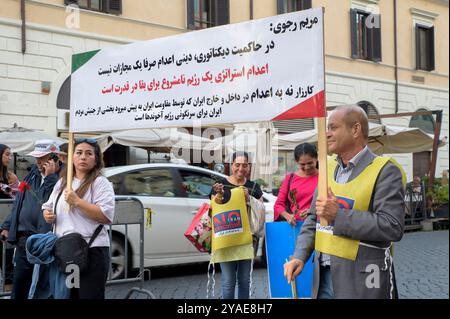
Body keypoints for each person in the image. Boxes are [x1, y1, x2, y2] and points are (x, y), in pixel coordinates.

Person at [284, 105, 405, 299]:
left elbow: (392, 226)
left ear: (355, 129)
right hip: (323, 277)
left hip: (363, 280)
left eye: (333, 127)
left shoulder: (386, 171)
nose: (327, 134)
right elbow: (313, 219)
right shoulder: (327, 167)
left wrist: (338, 215)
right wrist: (299, 255)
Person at [42, 138, 115, 299]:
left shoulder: (100, 183)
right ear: (72, 157)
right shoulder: (63, 182)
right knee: (70, 295)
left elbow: (105, 216)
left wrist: (78, 202)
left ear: (96, 159)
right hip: (67, 253)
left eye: (89, 153)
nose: (83, 157)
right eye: (79, 153)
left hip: (91, 251)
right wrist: (47, 214)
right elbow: (48, 206)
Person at [0, 140, 60, 299]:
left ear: (54, 157)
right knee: (19, 285)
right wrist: (7, 225)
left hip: (43, 241)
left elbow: (51, 202)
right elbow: (18, 203)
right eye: (37, 157)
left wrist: (50, 178)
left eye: (43, 157)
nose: (39, 161)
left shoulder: (60, 180)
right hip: (24, 240)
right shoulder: (29, 176)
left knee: (41, 286)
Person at [210, 151, 264, 299]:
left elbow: (261, 212)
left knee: (245, 280)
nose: (241, 169)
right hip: (226, 238)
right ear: (231, 165)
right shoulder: (221, 185)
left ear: (249, 167)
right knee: (228, 281)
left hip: (247, 239)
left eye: (245, 165)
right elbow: (214, 209)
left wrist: (249, 198)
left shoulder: (253, 187)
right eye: (237, 165)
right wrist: (219, 195)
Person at [274, 143, 319, 225]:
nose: (307, 167)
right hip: (295, 226)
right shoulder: (290, 178)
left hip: (317, 226)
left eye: (310, 163)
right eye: (302, 164)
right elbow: (278, 205)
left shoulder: (324, 177)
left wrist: (313, 211)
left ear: (316, 158)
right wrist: (287, 216)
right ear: (296, 162)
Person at [0, 144, 19, 292]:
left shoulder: (11, 176)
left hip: (6, 225)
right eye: (7, 154)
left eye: (10, 154)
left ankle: (7, 293)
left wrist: (11, 191)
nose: (10, 157)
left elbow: (18, 198)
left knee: (7, 265)